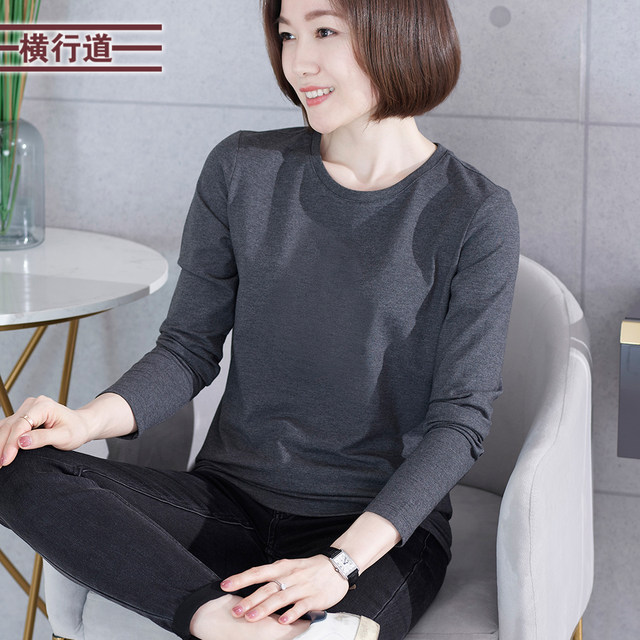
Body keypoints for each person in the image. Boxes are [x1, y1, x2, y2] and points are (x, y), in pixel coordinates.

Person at [0, 0, 519, 638]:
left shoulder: (473, 212)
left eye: (324, 31)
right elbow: (186, 350)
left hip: (371, 536)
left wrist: (339, 564)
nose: (298, 62)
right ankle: (215, 619)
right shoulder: (243, 169)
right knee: (16, 467)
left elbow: (460, 423)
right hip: (229, 504)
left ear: (399, 31)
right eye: (286, 34)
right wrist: (84, 421)